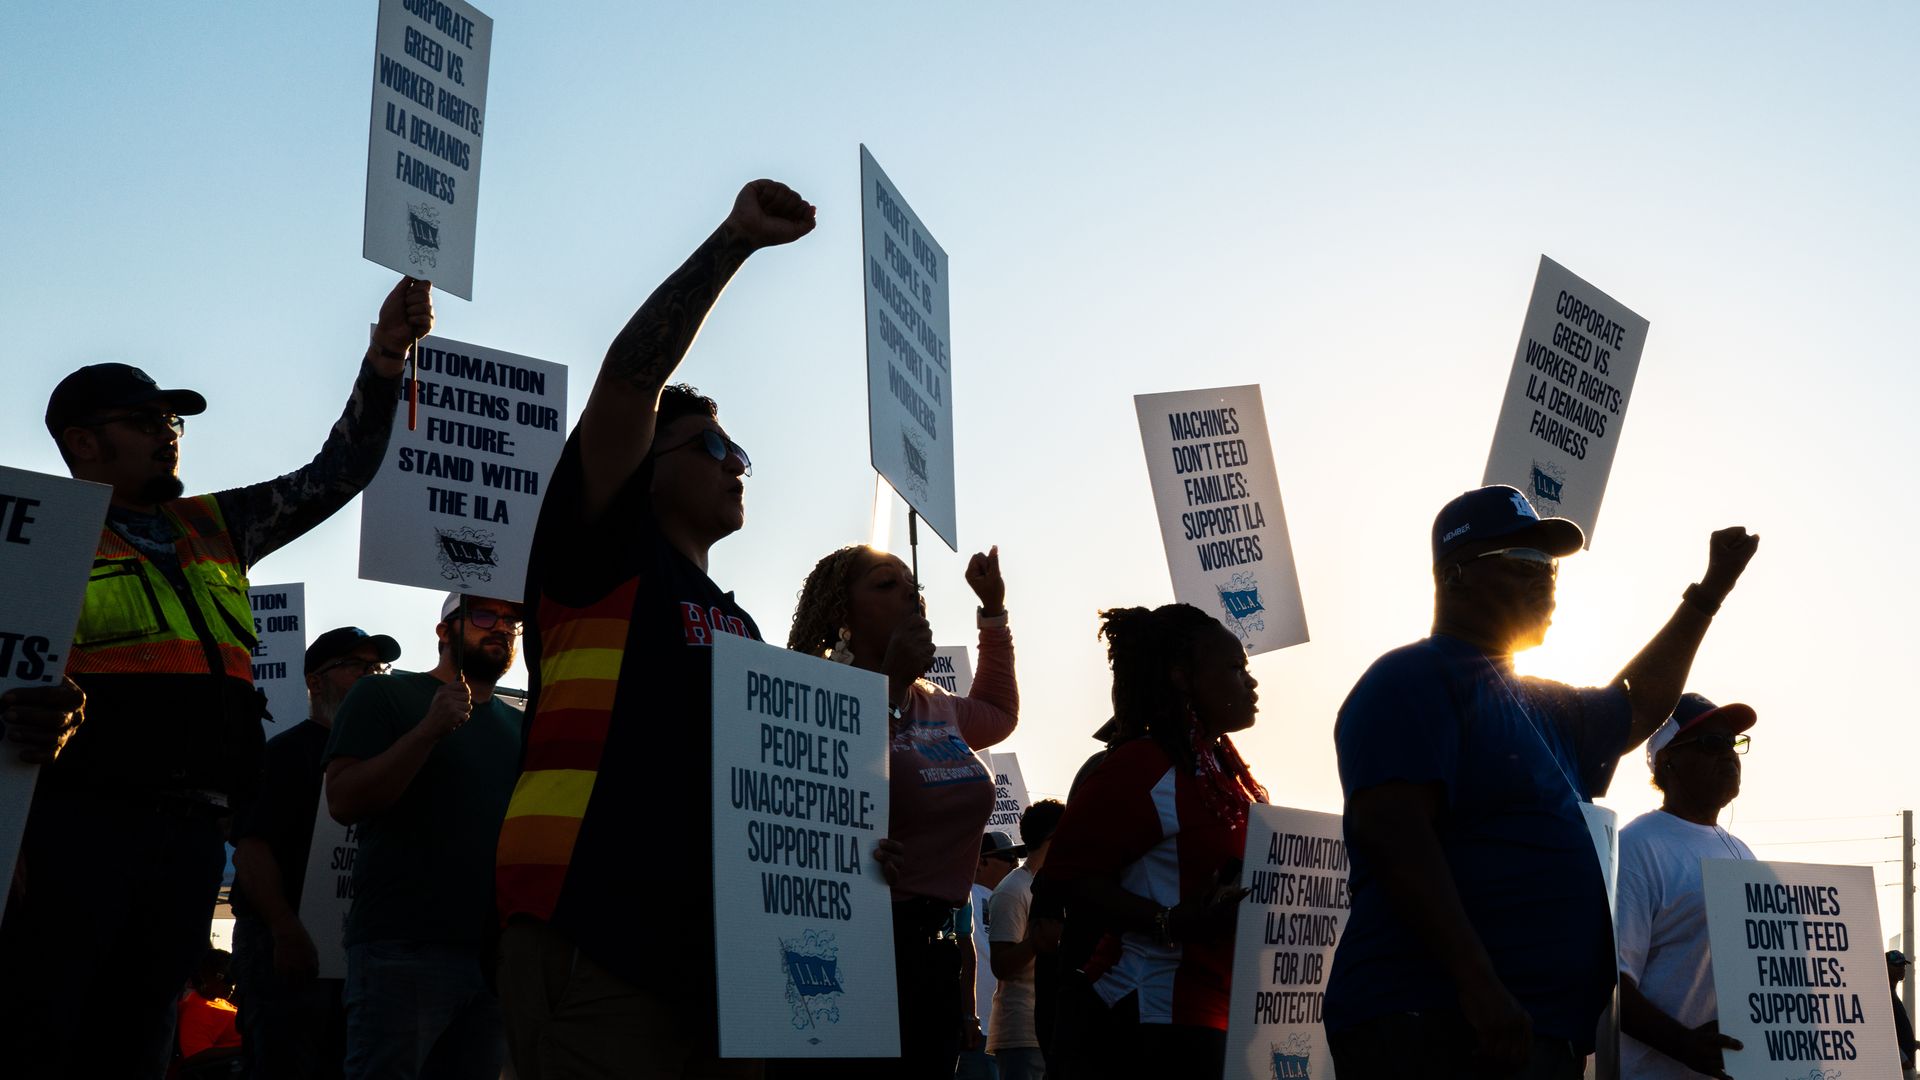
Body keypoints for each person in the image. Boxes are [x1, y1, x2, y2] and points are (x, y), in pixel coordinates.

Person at [1, 277, 431, 1077]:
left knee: (141, 1039)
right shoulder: (33, 538)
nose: (170, 435)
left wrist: (384, 360)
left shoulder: (216, 524)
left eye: (172, 421)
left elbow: (339, 471)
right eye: (146, 421)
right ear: (83, 443)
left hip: (196, 833)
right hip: (81, 829)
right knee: (50, 1030)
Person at [491, 178, 815, 1080]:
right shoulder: (601, 553)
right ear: (646, 464)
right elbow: (632, 379)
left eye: (741, 454)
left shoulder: (741, 622)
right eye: (712, 448)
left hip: (716, 950)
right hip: (593, 921)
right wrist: (734, 243)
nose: (735, 467)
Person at [1324, 485, 1759, 1080]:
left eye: (1550, 567)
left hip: (1528, 1032)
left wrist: (1708, 595)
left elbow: (1636, 706)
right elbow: (1394, 839)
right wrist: (1478, 984)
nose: (1546, 581)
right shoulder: (1411, 679)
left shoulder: (1541, 705)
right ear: (1454, 576)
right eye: (1524, 564)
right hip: (1435, 1023)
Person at [777, 542, 1020, 1078]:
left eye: (915, 589)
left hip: (934, 956)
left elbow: (1000, 713)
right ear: (842, 614)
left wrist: (993, 612)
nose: (910, 599)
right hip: (856, 949)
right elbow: (824, 788)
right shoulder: (818, 696)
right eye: (886, 586)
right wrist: (886, 689)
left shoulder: (935, 702)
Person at [1037, 603, 1268, 1079]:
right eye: (1235, 668)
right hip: (1147, 1016)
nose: (1251, 682)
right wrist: (1168, 921)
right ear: (1183, 678)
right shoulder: (1142, 765)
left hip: (1216, 1012)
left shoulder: (1220, 768)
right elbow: (1063, 880)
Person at [325, 593, 526, 1078]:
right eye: (483, 615)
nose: (500, 628)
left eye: (512, 621)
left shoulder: (521, 725)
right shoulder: (384, 695)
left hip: (492, 957)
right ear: (444, 631)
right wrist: (428, 731)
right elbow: (344, 800)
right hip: (405, 947)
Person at [229, 626, 401, 1080]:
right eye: (355, 666)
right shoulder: (286, 754)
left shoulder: (382, 759)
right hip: (286, 949)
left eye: (377, 667)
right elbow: (252, 849)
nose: (371, 676)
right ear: (315, 681)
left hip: (357, 951)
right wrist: (286, 930)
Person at [1616, 693, 1758, 1080]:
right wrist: (1685, 1045)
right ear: (1668, 761)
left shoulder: (1742, 853)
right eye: (1712, 744)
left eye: (1733, 744)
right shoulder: (1637, 847)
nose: (1729, 755)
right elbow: (1612, 984)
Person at [989, 798, 1067, 1080]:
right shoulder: (1013, 889)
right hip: (1023, 1034)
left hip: (1053, 1029)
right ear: (1053, 836)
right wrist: (1038, 941)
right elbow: (1001, 965)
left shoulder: (1058, 885)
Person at [960, 831, 1023, 1080]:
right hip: (976, 1031)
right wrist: (967, 1016)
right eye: (1008, 858)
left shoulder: (1013, 899)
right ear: (981, 861)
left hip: (1007, 1033)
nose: (1014, 865)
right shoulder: (963, 895)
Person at [177, 946, 245, 1067]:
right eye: (227, 978)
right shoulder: (197, 1010)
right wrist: (245, 1048)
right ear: (207, 975)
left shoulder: (218, 1001)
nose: (232, 984)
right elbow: (194, 1054)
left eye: (234, 978)